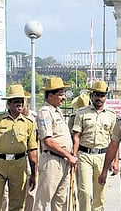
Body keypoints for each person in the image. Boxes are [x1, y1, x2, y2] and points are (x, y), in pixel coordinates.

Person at [0, 84, 38, 210]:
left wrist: (34, 174)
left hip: (19, 165)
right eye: (16, 101)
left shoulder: (29, 124)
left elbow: (32, 150)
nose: (20, 104)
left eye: (22, 101)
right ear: (8, 103)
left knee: (18, 202)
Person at [71, 81, 117, 211]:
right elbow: (76, 137)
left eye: (102, 95)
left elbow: (114, 141)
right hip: (84, 155)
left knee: (100, 194)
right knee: (85, 191)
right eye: (97, 95)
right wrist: (74, 157)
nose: (99, 98)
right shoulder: (82, 113)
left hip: (103, 156)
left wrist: (115, 161)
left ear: (106, 97)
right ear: (91, 96)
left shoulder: (111, 115)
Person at [34, 77, 77, 211]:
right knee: (43, 200)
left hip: (64, 161)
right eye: (61, 94)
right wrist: (69, 156)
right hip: (52, 161)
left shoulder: (57, 111)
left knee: (60, 200)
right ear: (51, 95)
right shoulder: (45, 112)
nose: (64, 98)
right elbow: (48, 141)